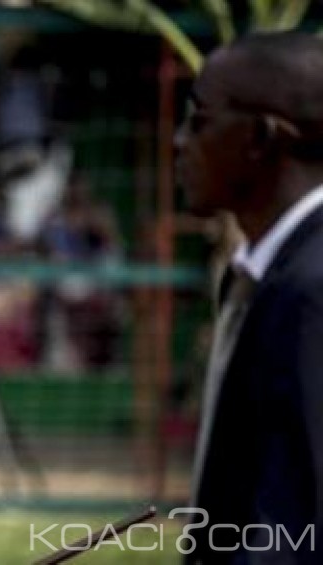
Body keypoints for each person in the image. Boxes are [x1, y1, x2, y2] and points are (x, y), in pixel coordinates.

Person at [177, 32, 323, 563]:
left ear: (260, 137)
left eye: (198, 121)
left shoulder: (311, 289)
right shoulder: (261, 273)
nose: (179, 142)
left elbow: (298, 526)